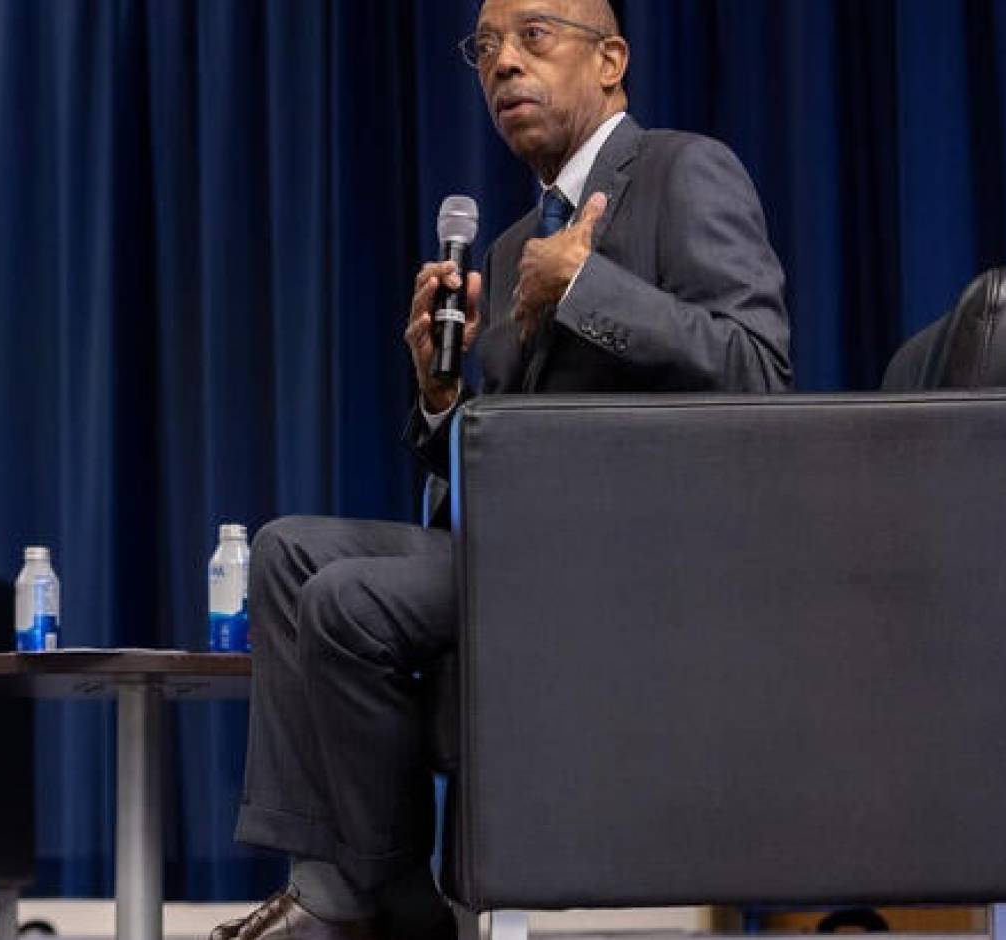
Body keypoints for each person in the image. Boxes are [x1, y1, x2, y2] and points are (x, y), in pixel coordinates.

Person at [216, 1, 793, 938]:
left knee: (345, 603)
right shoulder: (512, 243)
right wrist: (439, 392)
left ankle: (382, 904)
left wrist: (590, 288)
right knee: (287, 553)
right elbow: (495, 448)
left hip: (631, 563)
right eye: (486, 48)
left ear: (611, 60)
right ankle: (338, 885)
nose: (503, 65)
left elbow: (759, 371)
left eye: (534, 37)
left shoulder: (686, 171)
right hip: (514, 545)